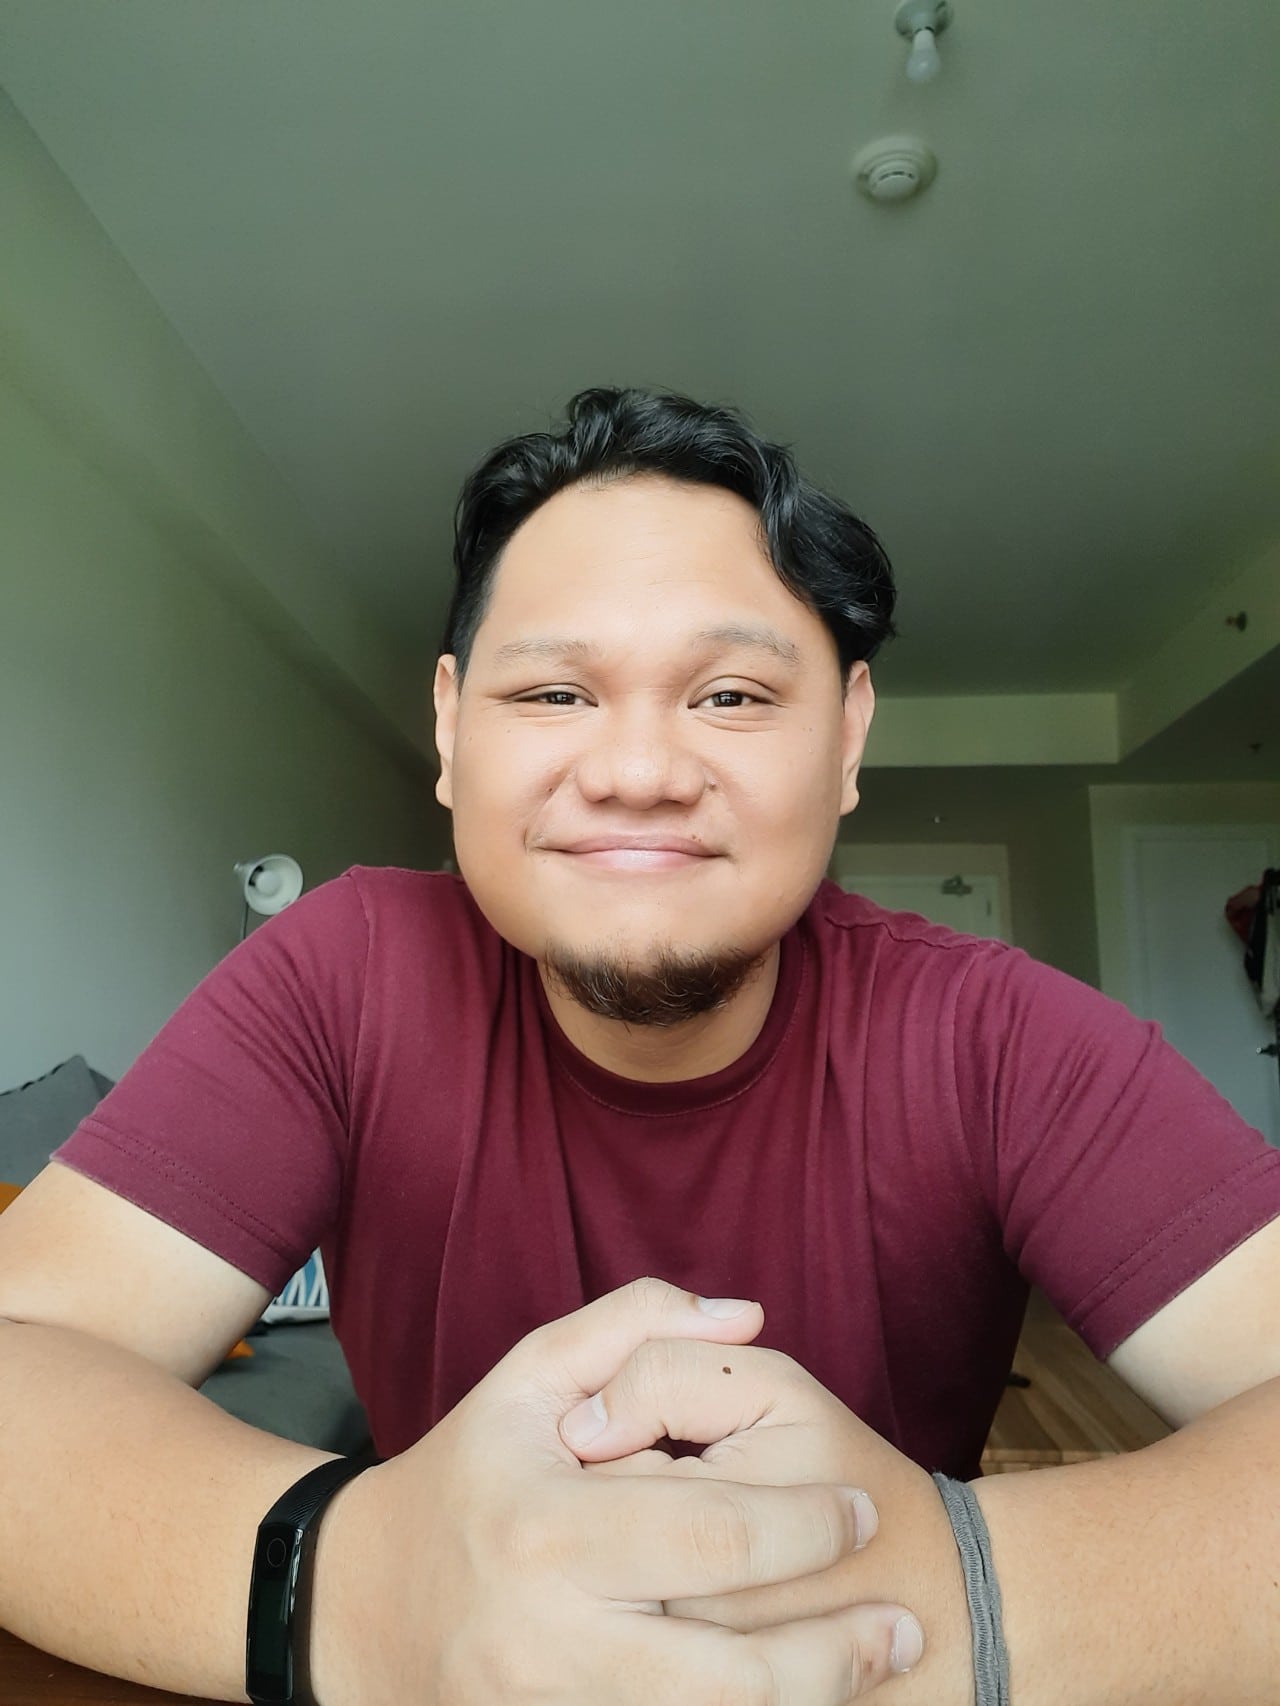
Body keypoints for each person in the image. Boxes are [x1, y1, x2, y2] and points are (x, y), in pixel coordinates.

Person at [1, 386, 1278, 1706]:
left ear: (847, 738)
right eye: (555, 690)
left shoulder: (997, 1037)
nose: (638, 770)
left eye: (730, 693)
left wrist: (950, 1592)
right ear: (450, 727)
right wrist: (365, 1583)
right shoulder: (344, 978)